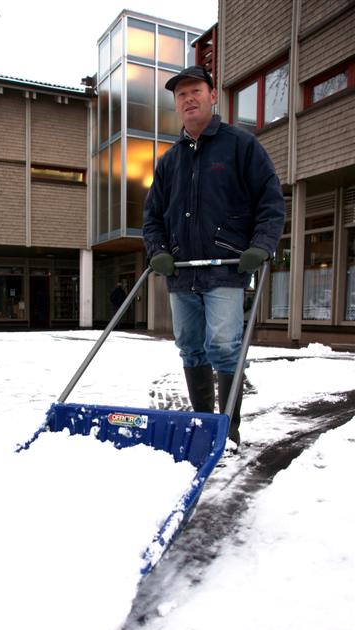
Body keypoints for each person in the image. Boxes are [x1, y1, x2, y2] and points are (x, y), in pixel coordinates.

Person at [143, 65, 285, 446]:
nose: (188, 99)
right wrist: (158, 251)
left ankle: (228, 430)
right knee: (190, 347)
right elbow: (152, 216)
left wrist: (261, 245)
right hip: (182, 272)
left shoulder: (240, 146)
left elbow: (270, 200)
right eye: (181, 94)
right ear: (176, 104)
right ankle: (204, 425)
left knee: (223, 345)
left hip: (226, 267)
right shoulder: (170, 161)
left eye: (195, 91)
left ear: (212, 96)